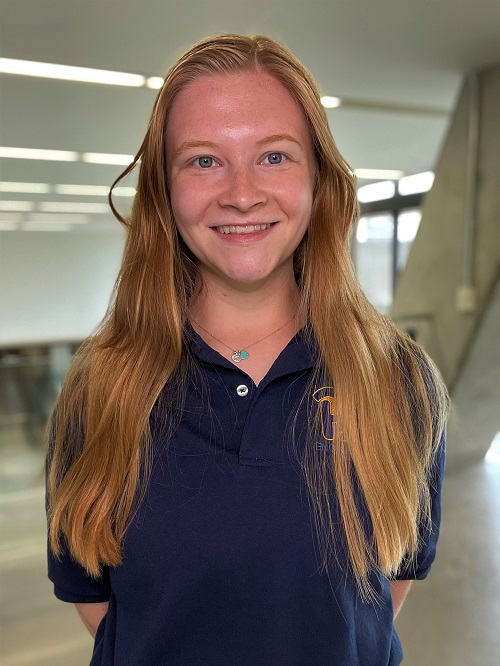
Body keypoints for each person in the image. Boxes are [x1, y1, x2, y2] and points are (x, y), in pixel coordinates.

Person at [46, 34, 448, 666]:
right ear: (164, 191)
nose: (240, 193)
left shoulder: (397, 380)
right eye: (204, 161)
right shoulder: (102, 387)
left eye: (274, 157)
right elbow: (95, 597)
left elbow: (381, 590)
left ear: (319, 177)